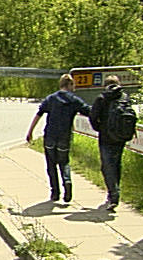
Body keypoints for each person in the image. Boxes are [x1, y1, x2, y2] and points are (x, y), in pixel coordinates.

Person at [25, 74, 95, 207]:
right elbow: (89, 112)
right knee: (64, 162)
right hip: (64, 136)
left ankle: (55, 193)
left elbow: (39, 114)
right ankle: (67, 181)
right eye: (73, 85)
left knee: (51, 165)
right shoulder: (74, 100)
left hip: (50, 136)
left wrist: (30, 132)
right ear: (69, 84)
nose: (74, 88)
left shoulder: (51, 98)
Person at [83, 77, 131, 211]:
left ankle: (113, 194)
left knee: (107, 166)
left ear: (105, 85)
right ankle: (114, 191)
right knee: (116, 164)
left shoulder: (102, 98)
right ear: (118, 84)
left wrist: (99, 128)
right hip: (120, 136)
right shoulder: (124, 97)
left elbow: (93, 117)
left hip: (106, 137)